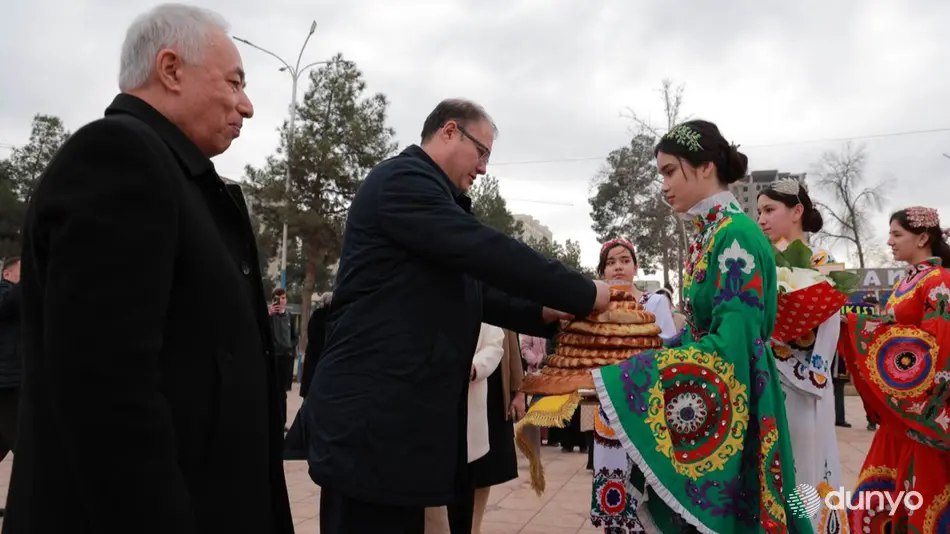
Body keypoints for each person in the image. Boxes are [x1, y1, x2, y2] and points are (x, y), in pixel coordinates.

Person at [3, 5, 294, 533]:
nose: (246, 106)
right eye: (234, 83)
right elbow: (108, 397)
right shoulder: (118, 157)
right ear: (170, 69)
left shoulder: (181, 181)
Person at [301, 98, 610, 533]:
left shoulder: (435, 202)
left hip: (403, 428)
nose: (483, 169)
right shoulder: (402, 182)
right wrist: (583, 292)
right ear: (448, 131)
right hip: (372, 424)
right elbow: (486, 251)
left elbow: (476, 292)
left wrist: (545, 310)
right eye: (481, 152)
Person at [592, 120, 811, 533]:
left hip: (742, 395)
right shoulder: (711, 232)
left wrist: (639, 375)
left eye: (670, 171)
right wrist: (648, 353)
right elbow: (698, 331)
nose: (664, 184)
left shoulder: (736, 236)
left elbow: (733, 343)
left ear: (706, 167)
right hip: (727, 392)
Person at [837, 207, 950, 533]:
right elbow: (892, 329)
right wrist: (852, 322)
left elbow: (937, 347)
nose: (889, 241)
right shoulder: (908, 280)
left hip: (920, 415)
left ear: (924, 237)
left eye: (897, 234)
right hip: (899, 414)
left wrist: (860, 327)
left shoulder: (940, 281)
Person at [757, 180, 847, 533]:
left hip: (805, 386)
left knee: (805, 466)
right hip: (763, 378)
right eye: (759, 211)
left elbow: (831, 325)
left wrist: (810, 371)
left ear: (797, 212)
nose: (761, 219)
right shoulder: (761, 262)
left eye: (769, 210)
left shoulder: (824, 264)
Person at [589, 238, 679, 531]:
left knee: (647, 484)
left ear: (636, 267)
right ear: (603, 272)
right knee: (612, 481)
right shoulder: (595, 308)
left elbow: (665, 351)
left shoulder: (654, 302)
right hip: (608, 407)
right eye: (611, 262)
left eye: (625, 260)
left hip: (646, 407)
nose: (618, 267)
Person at [0, 257, 22, 493]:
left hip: (11, 383)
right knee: (29, 449)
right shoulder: (4, 292)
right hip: (6, 385)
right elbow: (9, 305)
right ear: (6, 274)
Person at [269, 287, 298, 431]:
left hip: (286, 358)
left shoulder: (290, 316)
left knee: (283, 393)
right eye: (278, 298)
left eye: (284, 297)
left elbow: (294, 336)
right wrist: (268, 314)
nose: (281, 300)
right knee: (272, 390)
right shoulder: (270, 316)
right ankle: (271, 420)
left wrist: (291, 348)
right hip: (274, 357)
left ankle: (282, 421)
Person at [299, 292, 332, 398]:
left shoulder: (316, 315)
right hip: (326, 356)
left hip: (313, 355)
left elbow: (311, 333)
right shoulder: (334, 317)